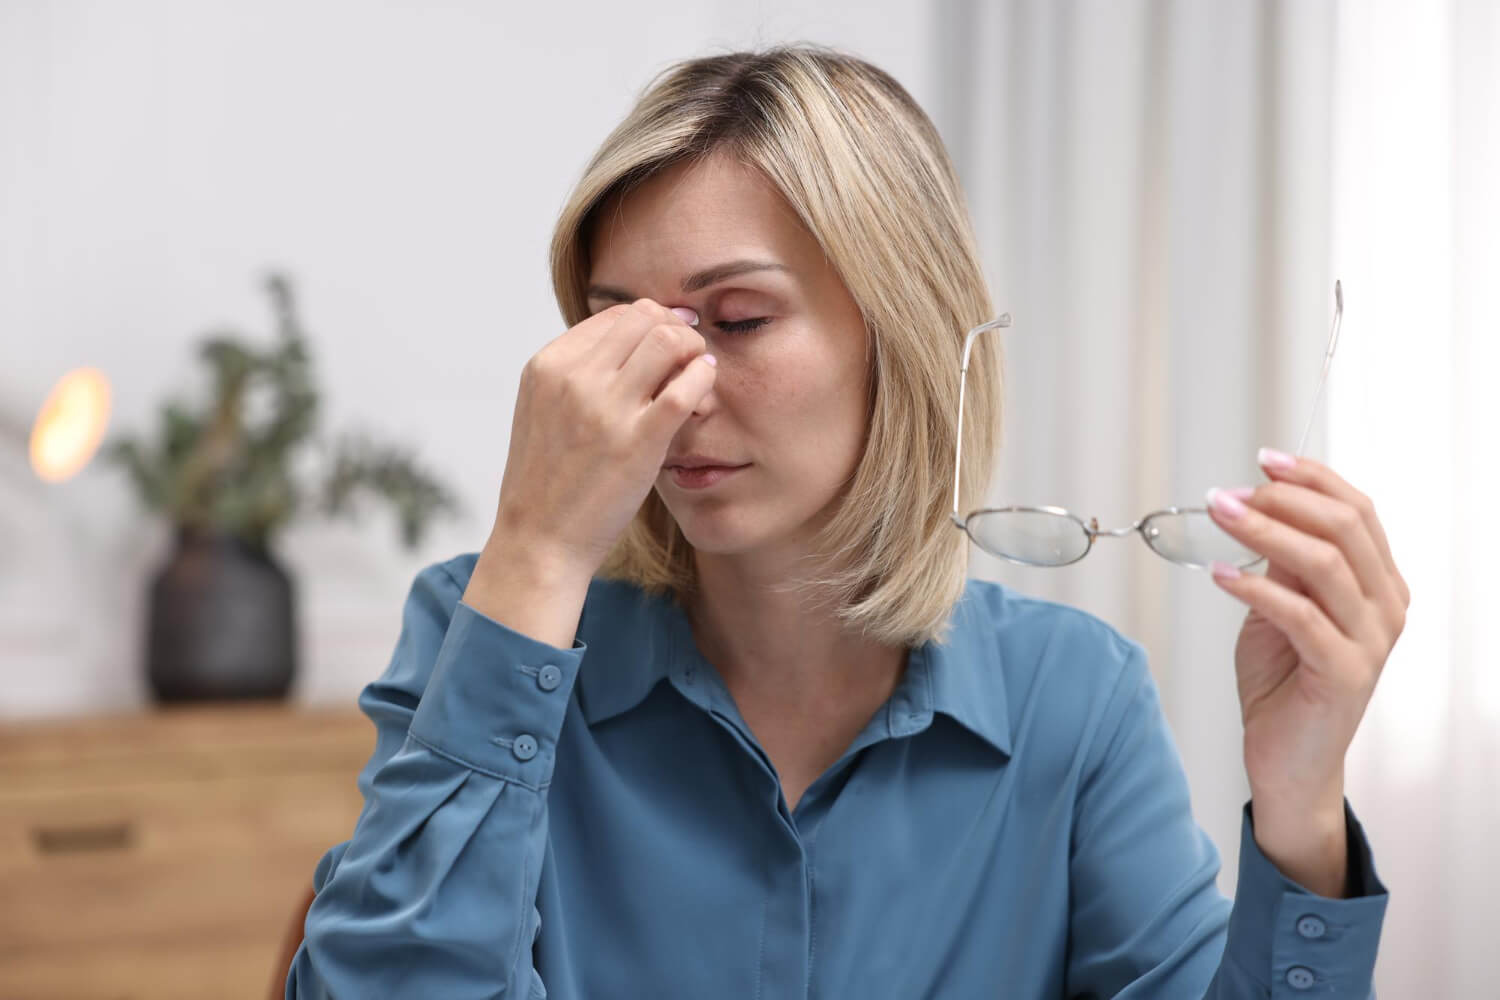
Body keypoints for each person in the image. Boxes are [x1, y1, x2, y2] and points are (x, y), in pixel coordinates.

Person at [286, 44, 1404, 998]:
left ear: (901, 332)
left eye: (736, 317)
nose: (671, 388)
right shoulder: (484, 630)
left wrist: (1301, 803)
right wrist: (534, 552)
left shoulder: (1073, 700)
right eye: (616, 328)